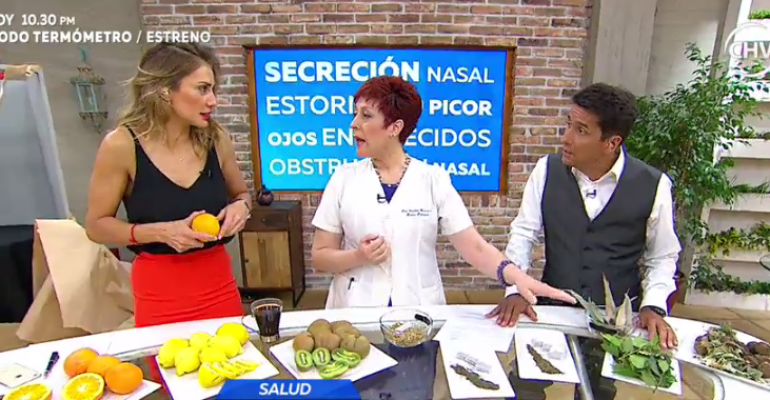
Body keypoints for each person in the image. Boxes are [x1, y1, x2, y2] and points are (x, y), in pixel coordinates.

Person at [310, 76, 576, 309]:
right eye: (355, 114)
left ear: (394, 127)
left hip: (417, 315)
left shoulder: (433, 179)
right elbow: (320, 257)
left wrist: (517, 277)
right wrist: (358, 256)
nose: (354, 124)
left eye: (366, 116)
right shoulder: (343, 179)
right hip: (355, 314)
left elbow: (474, 247)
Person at [487, 83, 680, 400]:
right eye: (568, 124)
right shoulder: (546, 171)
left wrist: (653, 305)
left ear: (612, 142)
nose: (566, 138)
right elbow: (523, 233)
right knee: (523, 387)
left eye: (581, 130)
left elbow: (662, 256)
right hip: (552, 307)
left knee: (597, 392)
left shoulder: (654, 185)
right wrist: (516, 288)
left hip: (613, 319)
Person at [84, 42, 250, 330]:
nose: (213, 101)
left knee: (232, 357)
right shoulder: (121, 145)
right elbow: (96, 226)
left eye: (213, 89)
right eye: (202, 89)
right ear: (164, 90)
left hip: (219, 285)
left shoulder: (216, 139)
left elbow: (242, 194)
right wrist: (162, 232)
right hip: (160, 293)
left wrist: (242, 207)